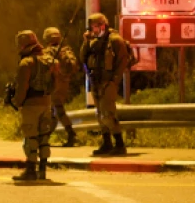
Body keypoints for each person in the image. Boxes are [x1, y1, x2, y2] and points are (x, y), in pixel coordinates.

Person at [79, 13, 130, 156]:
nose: (92, 30)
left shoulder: (115, 40)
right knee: (100, 114)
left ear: (102, 25)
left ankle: (119, 144)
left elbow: (122, 61)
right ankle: (106, 143)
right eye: (91, 27)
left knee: (108, 113)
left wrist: (114, 81)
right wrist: (85, 42)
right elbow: (83, 58)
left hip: (108, 82)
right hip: (96, 82)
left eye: (94, 26)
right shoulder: (93, 41)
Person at [11, 30, 57, 181]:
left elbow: (22, 87)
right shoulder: (50, 61)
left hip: (31, 104)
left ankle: (30, 170)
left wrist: (17, 103)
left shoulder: (26, 63)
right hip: (46, 102)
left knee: (31, 137)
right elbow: (55, 83)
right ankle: (42, 169)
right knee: (44, 137)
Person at [43, 27, 79, 147]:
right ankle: (46, 137)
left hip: (54, 83)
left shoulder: (48, 51)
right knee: (56, 110)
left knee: (56, 110)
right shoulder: (65, 50)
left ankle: (71, 134)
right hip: (64, 83)